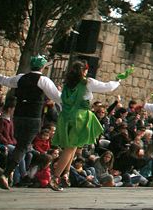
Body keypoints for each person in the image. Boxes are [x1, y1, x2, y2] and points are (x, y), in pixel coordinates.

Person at [51, 60, 121, 191]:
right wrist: (117, 81)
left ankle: (65, 174)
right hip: (79, 117)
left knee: (73, 147)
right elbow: (107, 87)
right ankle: (55, 177)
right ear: (84, 71)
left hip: (66, 116)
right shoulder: (87, 82)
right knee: (70, 148)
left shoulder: (68, 84)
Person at [0, 56, 61, 180]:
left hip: (18, 115)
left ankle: (4, 173)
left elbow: (5, 80)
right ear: (43, 67)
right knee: (22, 146)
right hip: (33, 117)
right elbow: (57, 96)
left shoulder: (21, 77)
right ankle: (5, 174)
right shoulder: (43, 80)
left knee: (17, 143)